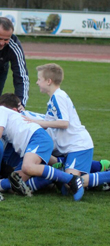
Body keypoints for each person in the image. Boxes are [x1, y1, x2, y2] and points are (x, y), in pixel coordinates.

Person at [0, 91, 85, 201]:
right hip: (31, 144)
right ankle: (54, 177)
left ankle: (71, 179)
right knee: (14, 184)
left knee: (28, 167)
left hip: (36, 137)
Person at [24, 63, 110, 191]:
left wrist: (37, 122)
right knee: (68, 183)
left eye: (39, 79)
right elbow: (47, 126)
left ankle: (106, 175)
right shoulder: (53, 99)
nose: (37, 82)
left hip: (79, 146)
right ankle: (100, 172)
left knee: (71, 184)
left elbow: (64, 123)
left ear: (48, 81)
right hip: (72, 148)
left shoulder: (59, 97)